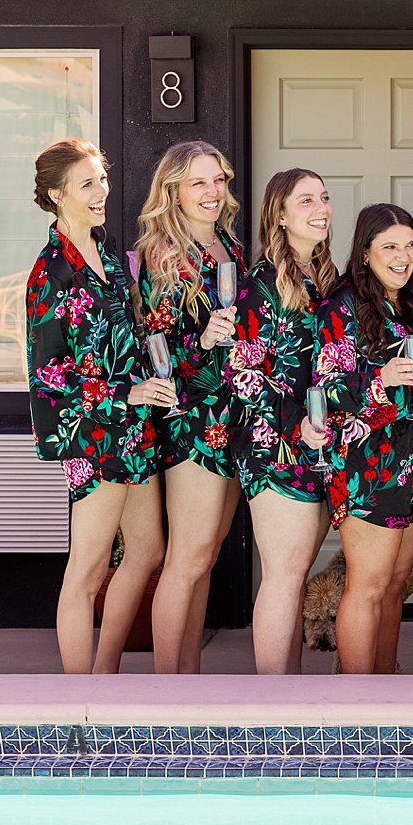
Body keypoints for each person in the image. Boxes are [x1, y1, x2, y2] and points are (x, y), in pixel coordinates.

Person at [25, 138, 169, 674]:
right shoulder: (50, 274)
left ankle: (104, 676)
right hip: (93, 433)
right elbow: (49, 374)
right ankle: (77, 697)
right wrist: (123, 392)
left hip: (133, 427)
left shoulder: (108, 252)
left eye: (102, 179)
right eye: (88, 183)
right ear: (58, 194)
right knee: (85, 572)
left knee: (148, 550)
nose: (102, 191)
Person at [137, 140, 245, 675]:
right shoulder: (165, 254)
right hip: (193, 421)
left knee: (206, 556)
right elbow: (153, 347)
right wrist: (202, 342)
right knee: (187, 556)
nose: (211, 192)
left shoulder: (229, 243)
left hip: (235, 416)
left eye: (217, 180)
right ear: (173, 191)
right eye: (197, 182)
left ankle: (189, 681)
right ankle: (166, 689)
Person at [312, 204, 413, 675]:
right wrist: (381, 377)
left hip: (412, 458)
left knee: (394, 585)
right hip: (365, 461)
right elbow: (326, 385)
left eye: (410, 245)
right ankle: (355, 706)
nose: (403, 256)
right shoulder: (343, 303)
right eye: (390, 247)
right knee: (368, 584)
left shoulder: (411, 302)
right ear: (364, 254)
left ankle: (384, 691)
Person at [229, 167, 337, 675]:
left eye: (325, 198)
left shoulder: (323, 278)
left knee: (296, 575)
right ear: (280, 214)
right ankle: (273, 709)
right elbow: (245, 375)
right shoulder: (261, 285)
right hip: (275, 448)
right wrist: (297, 426)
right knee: (283, 575)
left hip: (319, 448)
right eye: (306, 200)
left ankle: (289, 696)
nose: (321, 208)